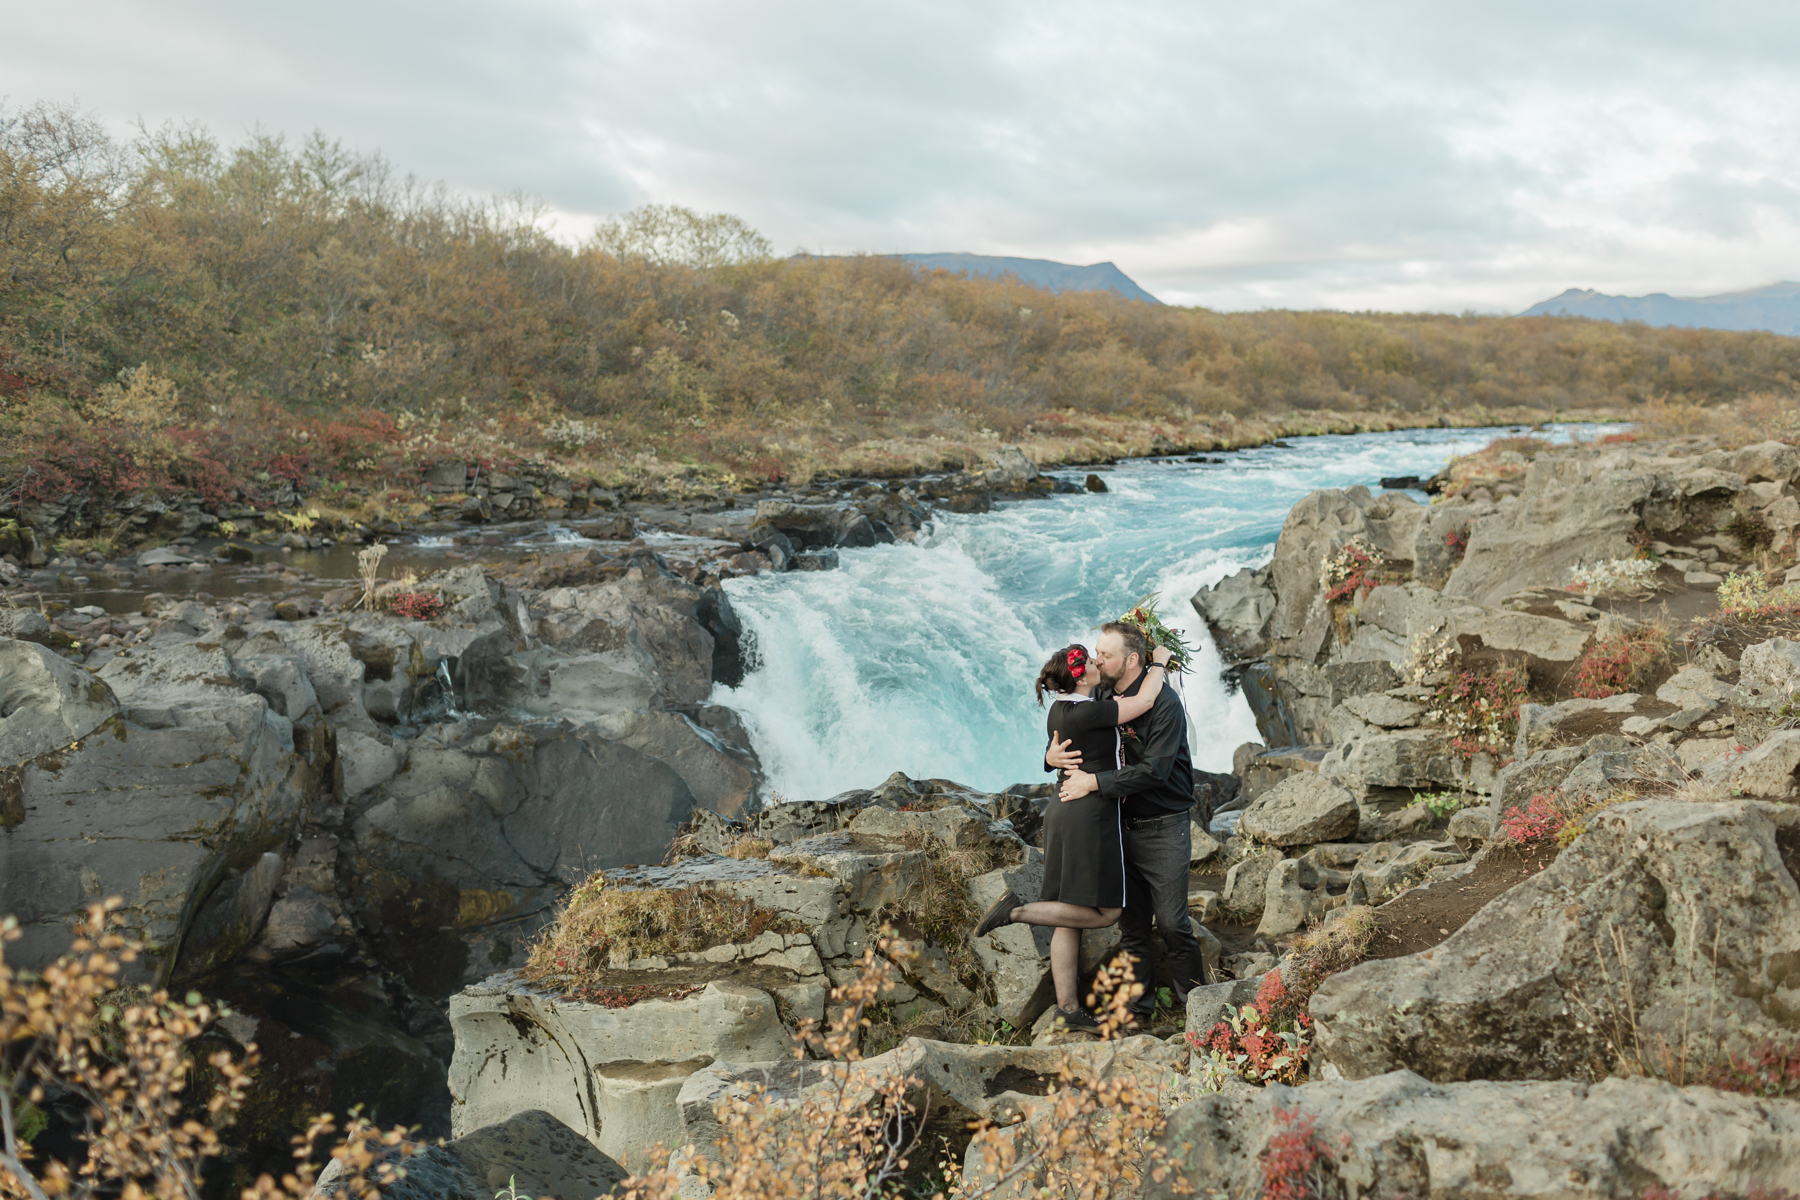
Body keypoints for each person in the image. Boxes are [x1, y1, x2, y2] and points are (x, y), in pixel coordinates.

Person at [971, 640, 1173, 1030]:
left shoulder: (1061, 709)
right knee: (1108, 911)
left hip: (1062, 810)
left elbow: (1056, 748)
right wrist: (1160, 663)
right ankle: (1015, 911)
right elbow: (1145, 701)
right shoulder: (1091, 712)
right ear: (1081, 678)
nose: (1098, 663)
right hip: (1087, 815)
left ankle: (1068, 1009)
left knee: (1069, 913)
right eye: (1092, 661)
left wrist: (1048, 758)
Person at [1047, 621, 1205, 1025]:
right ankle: (1140, 1009)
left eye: (1106, 654)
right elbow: (1073, 730)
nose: (1096, 660)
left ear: (1132, 661)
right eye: (1097, 653)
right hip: (1115, 825)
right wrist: (1050, 758)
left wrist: (1095, 782)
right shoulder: (1098, 692)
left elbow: (1156, 771)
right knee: (1132, 927)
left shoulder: (1165, 704)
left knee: (1172, 923)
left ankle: (1199, 1006)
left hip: (1163, 825)